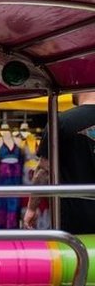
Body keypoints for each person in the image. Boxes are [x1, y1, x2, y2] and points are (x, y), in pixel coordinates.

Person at [24, 92, 95, 234]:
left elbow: (44, 170)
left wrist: (32, 208)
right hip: (74, 214)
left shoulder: (60, 121)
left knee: (76, 255)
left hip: (75, 216)